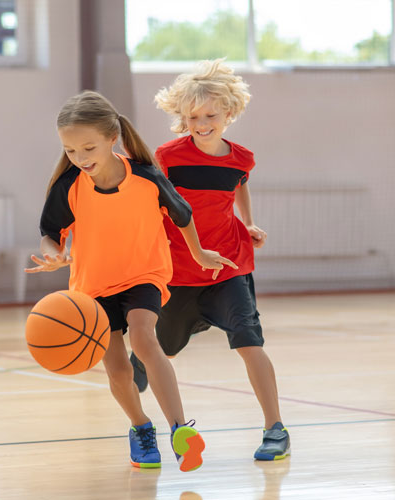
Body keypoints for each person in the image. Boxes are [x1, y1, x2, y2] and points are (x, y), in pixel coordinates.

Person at [27, 90, 236, 472]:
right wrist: (54, 253)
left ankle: (179, 429)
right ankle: (140, 427)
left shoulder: (145, 177)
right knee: (119, 370)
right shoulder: (69, 186)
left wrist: (199, 253)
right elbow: (49, 231)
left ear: (112, 138)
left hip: (144, 274)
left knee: (143, 337)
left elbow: (182, 215)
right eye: (71, 151)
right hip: (93, 288)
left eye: (88, 147)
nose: (80, 158)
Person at [130, 59, 290, 460]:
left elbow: (240, 187)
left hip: (228, 267)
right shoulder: (167, 157)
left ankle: (276, 429)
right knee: (154, 357)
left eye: (210, 115)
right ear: (183, 119)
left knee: (250, 343)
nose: (202, 123)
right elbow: (150, 204)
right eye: (193, 117)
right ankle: (140, 423)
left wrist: (249, 223)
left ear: (229, 113)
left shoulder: (242, 158)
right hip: (178, 273)